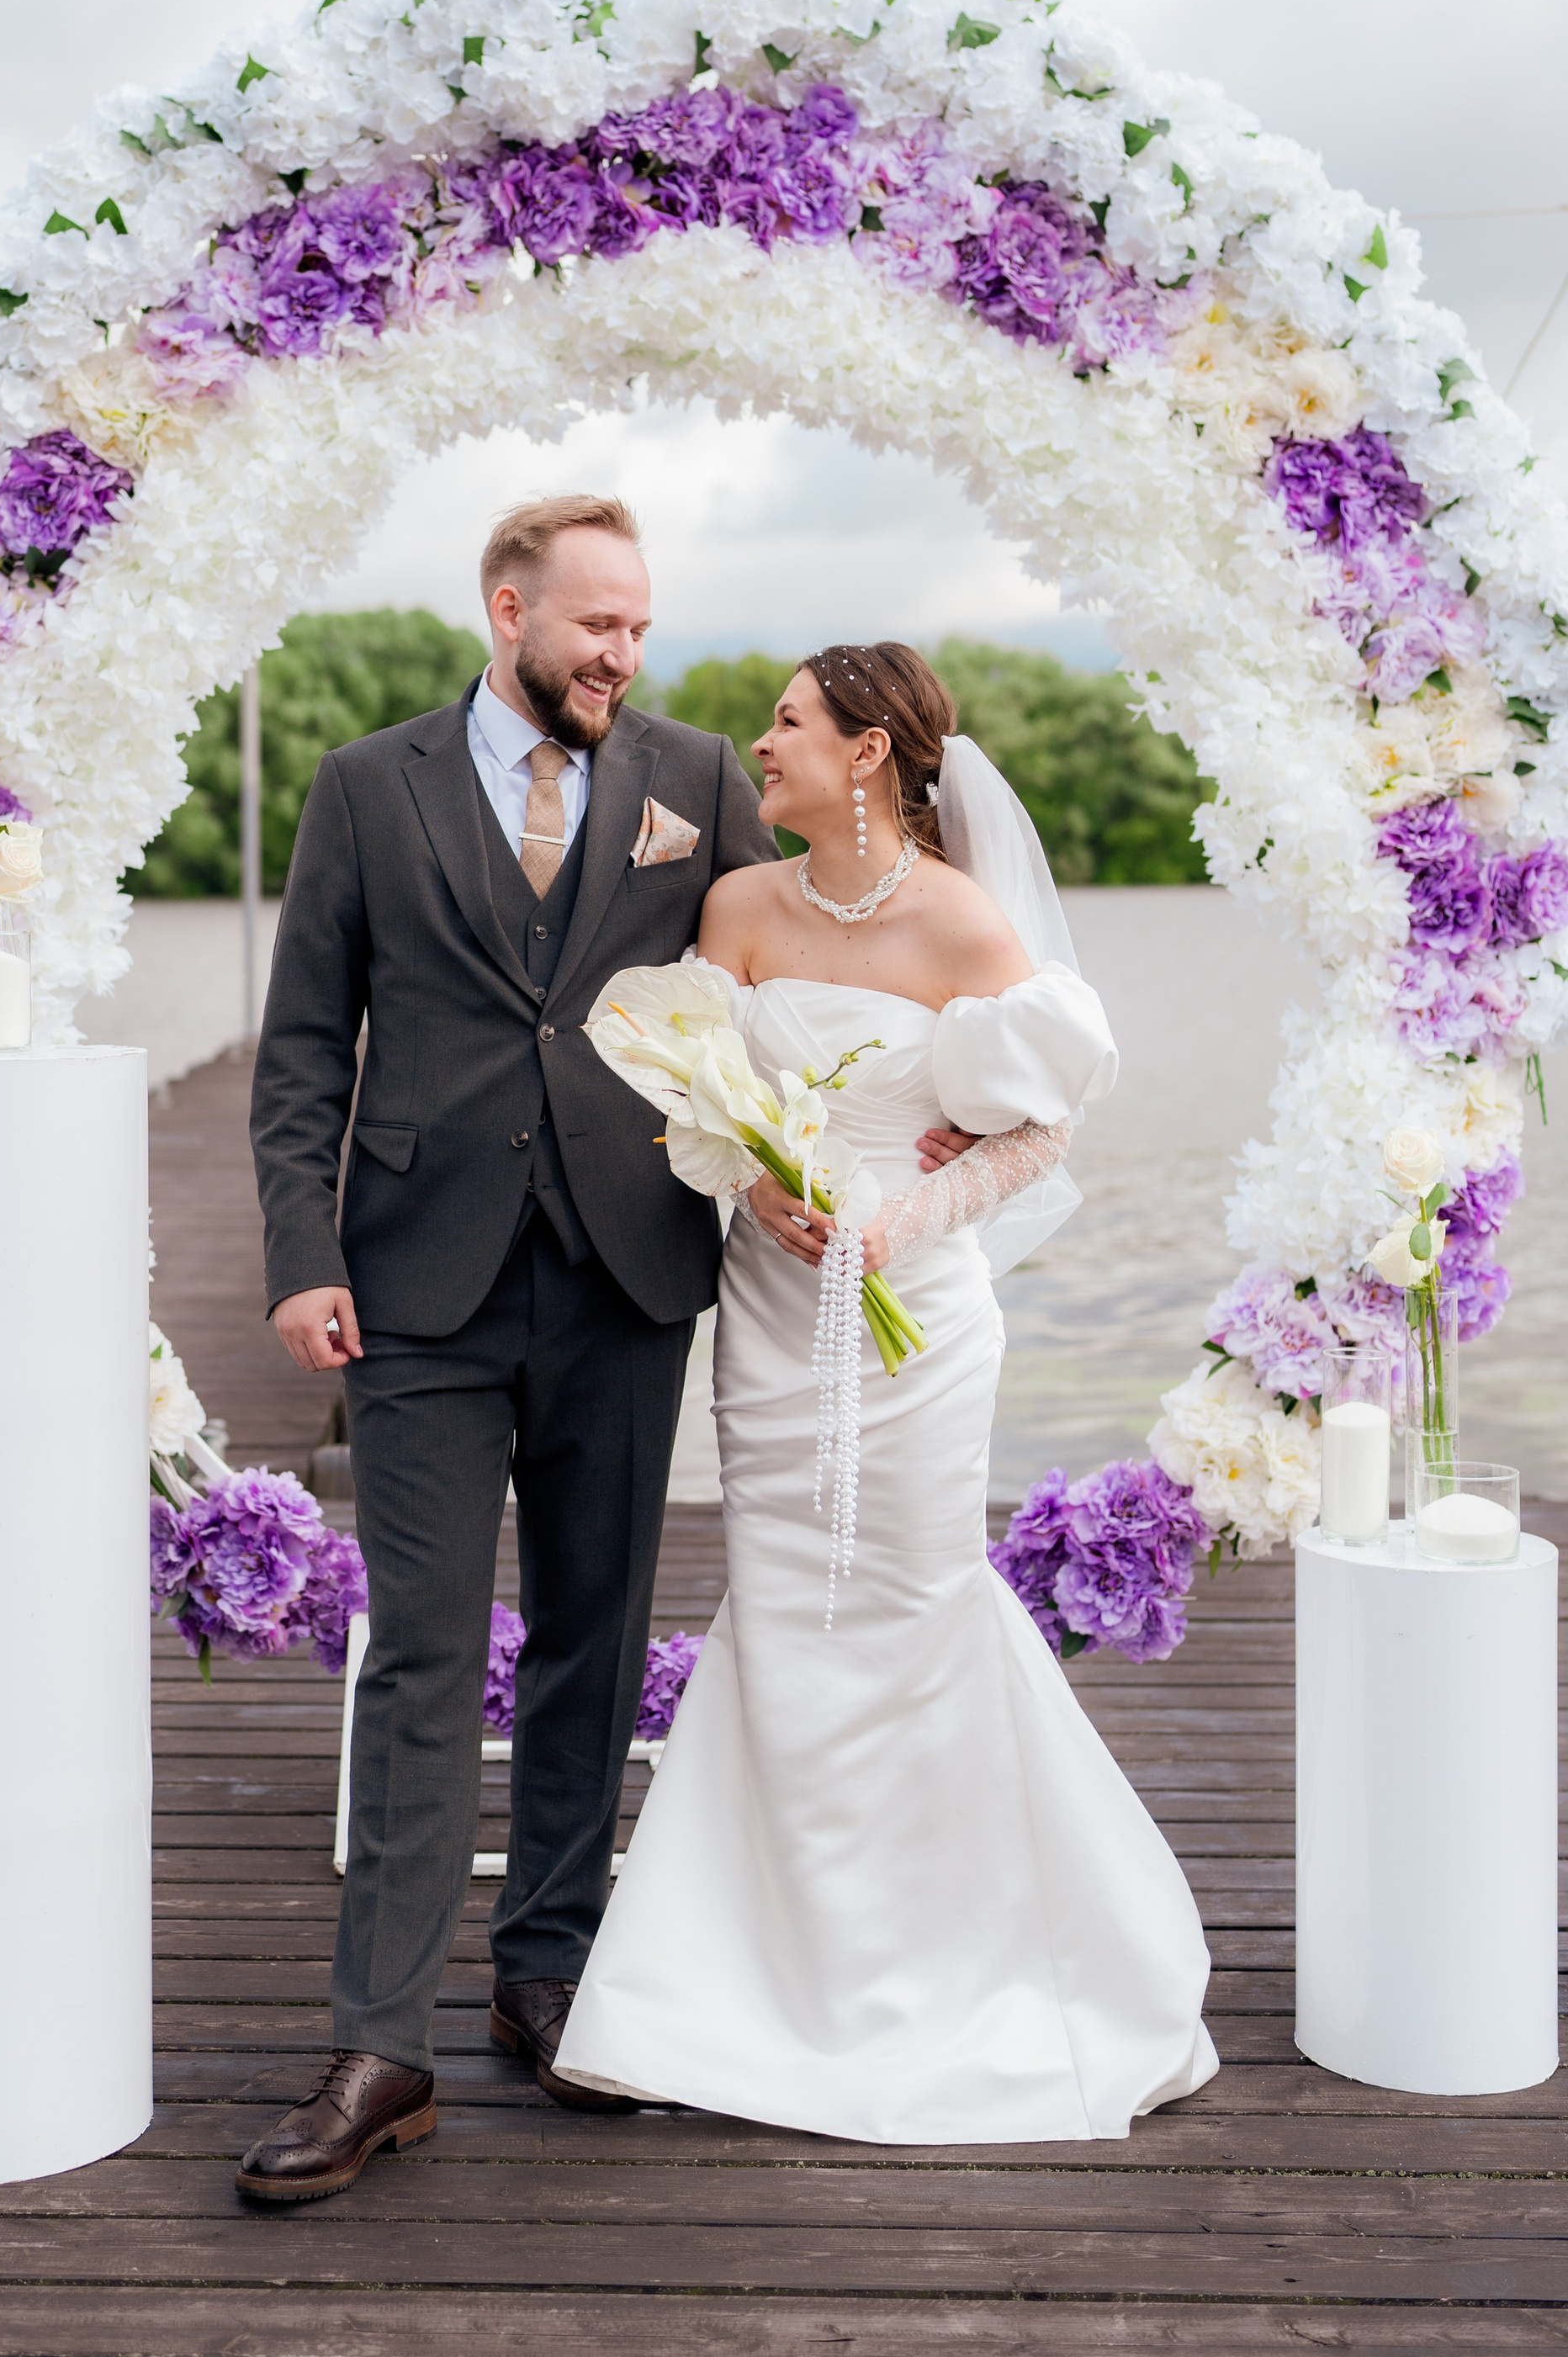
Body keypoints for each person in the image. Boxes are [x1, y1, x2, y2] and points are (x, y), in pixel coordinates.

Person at [557, 643, 1220, 2142]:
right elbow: (688, 1097)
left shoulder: (962, 922)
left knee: (914, 1602)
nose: (760, 745)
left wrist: (902, 1220)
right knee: (786, 1610)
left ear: (867, 753)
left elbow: (1038, 1130)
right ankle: (752, 1977)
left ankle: (953, 1961)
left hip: (915, 1312)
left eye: (787, 724)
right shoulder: (738, 907)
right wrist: (749, 1175)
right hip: (774, 1310)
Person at [236, 495, 783, 2201]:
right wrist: (300, 1256)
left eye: (637, 626)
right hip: (415, 1282)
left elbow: (782, 978)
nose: (621, 655)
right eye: (592, 626)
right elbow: (304, 1045)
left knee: (592, 1638)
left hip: (625, 1269)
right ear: (506, 610)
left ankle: (548, 1967)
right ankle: (377, 2038)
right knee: (413, 1652)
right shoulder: (363, 787)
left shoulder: (697, 779)